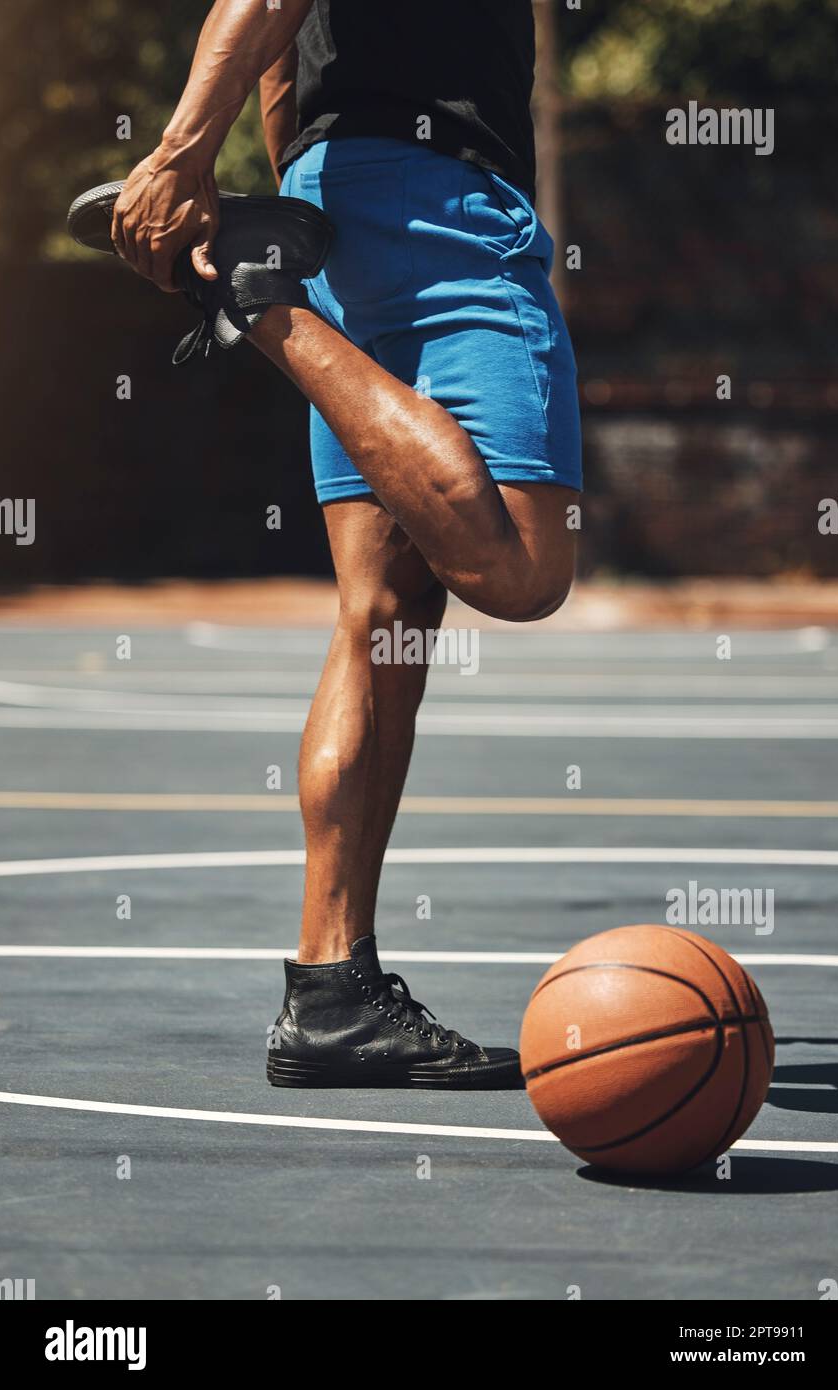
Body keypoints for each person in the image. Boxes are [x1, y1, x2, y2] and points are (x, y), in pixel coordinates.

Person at [112, 0, 582, 1089]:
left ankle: (330, 993)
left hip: (338, 203)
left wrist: (306, 219)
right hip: (443, 206)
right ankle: (258, 299)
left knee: (382, 615)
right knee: (519, 564)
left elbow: (283, 59)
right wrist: (185, 157)